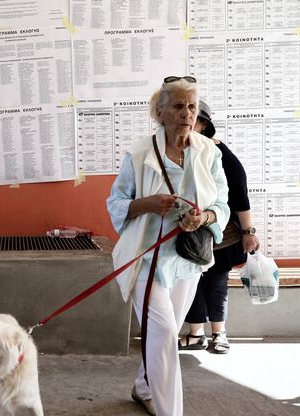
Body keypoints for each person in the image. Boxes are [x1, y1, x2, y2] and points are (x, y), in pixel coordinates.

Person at [106, 76, 230, 416]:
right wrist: (147, 203)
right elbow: (115, 203)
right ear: (160, 114)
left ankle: (143, 387)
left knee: (164, 336)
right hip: (146, 261)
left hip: (186, 260)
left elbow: (223, 204)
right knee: (163, 337)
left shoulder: (209, 153)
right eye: (178, 106)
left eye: (191, 106)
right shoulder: (139, 153)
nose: (187, 114)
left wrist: (203, 218)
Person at [178, 101, 260, 354]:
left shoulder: (218, 152)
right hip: (189, 232)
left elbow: (240, 196)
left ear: (204, 125)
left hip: (221, 233)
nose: (188, 122)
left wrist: (248, 233)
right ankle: (195, 333)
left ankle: (219, 333)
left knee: (215, 283)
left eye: (195, 119)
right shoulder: (178, 151)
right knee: (191, 282)